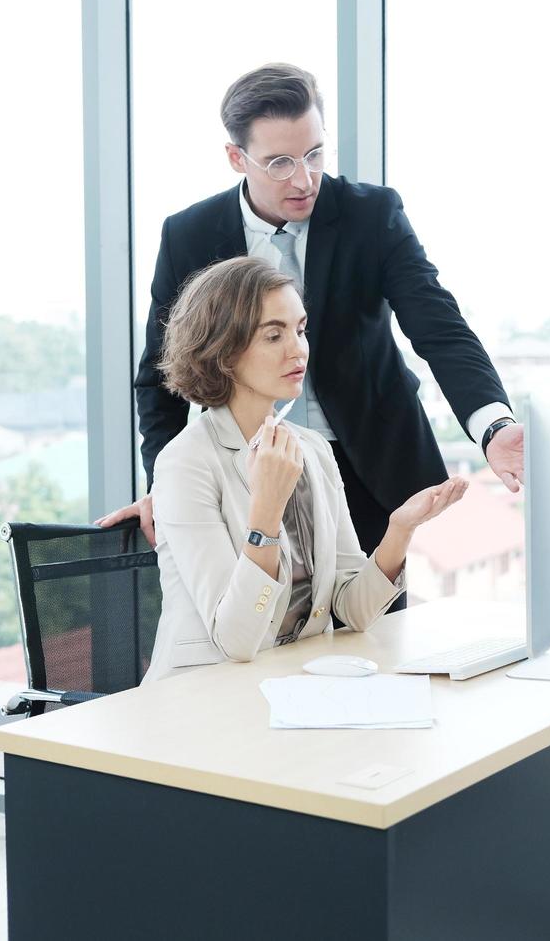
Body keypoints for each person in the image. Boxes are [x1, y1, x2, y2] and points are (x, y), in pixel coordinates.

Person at [98, 62, 522, 593]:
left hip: (366, 466)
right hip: (242, 471)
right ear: (236, 158)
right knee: (252, 627)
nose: (304, 179)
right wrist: (167, 484)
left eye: (315, 154)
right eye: (279, 162)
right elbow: (160, 378)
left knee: (372, 631)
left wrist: (493, 426)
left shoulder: (372, 215)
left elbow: (439, 328)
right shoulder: (190, 234)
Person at [142, 256, 467, 682]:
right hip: (204, 694)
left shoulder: (311, 450)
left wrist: (399, 531)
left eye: (300, 329)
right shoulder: (186, 462)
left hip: (292, 684)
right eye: (274, 335)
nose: (298, 349)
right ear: (223, 351)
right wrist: (268, 510)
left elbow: (353, 610)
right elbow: (236, 640)